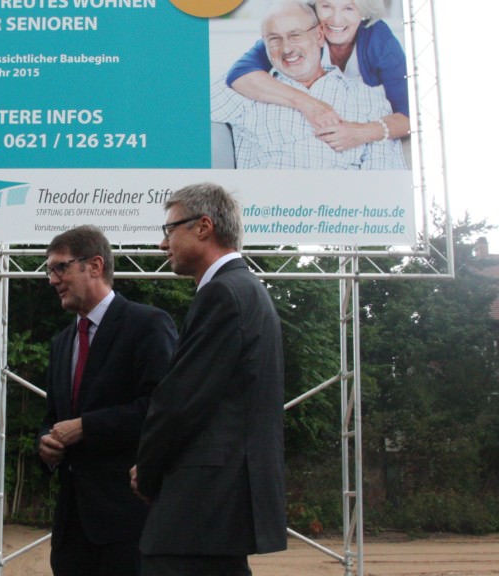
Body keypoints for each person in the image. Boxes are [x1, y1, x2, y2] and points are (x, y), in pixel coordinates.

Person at [132, 183, 286, 576]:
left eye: (169, 230)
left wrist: (147, 473)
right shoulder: (246, 290)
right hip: (220, 505)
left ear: (203, 227)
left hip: (200, 508)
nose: (162, 244)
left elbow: (180, 402)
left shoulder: (222, 294)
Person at [37, 225, 178, 576]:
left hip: (128, 524)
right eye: (49, 270)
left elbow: (163, 410)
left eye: (60, 267)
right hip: (72, 531)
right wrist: (47, 443)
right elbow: (54, 417)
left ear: (95, 265)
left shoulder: (147, 325)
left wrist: (87, 427)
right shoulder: (62, 342)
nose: (52, 280)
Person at [211, 0, 406, 170]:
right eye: (326, 5)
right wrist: (310, 104)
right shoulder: (250, 85)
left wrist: (361, 132)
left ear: (319, 36)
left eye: (349, 7)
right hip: (268, 204)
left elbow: (410, 119)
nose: (287, 48)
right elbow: (194, 109)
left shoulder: (369, 96)